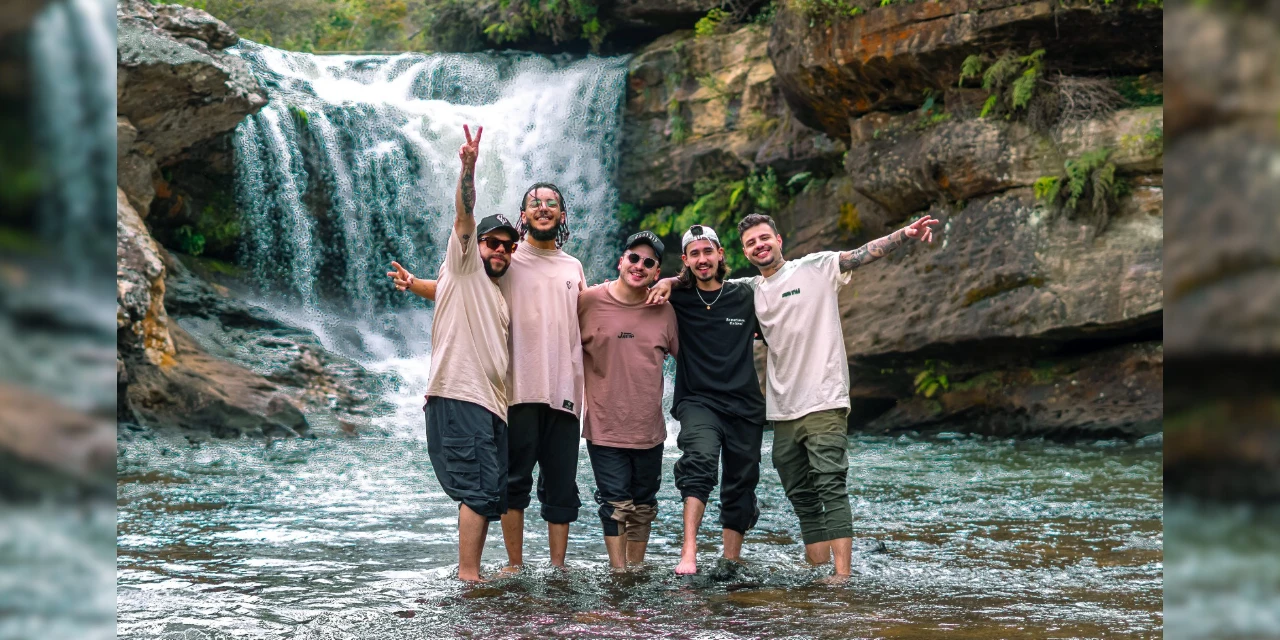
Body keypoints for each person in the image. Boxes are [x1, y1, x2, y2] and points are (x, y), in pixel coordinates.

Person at [730, 211, 938, 577]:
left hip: (825, 400)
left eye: (764, 238)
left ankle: (842, 577)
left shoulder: (815, 267)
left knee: (830, 485)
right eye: (750, 243)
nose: (759, 245)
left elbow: (861, 254)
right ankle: (818, 568)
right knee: (802, 495)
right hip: (781, 410)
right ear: (744, 252)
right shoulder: (750, 291)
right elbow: (704, 290)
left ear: (778, 240)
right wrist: (667, 283)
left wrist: (904, 234)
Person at [404, 182, 586, 571]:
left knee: (547, 486)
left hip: (555, 393)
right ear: (523, 217)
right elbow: (457, 281)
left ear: (562, 214)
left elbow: (593, 314)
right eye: (534, 202)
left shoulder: (571, 267)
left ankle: (555, 568)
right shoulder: (498, 262)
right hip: (510, 392)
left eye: (551, 202)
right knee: (506, 485)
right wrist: (416, 285)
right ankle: (504, 566)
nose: (543, 207)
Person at [386, 124, 517, 582]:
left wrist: (416, 285)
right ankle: (468, 576)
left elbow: (442, 291)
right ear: (476, 245)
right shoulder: (463, 263)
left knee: (488, 492)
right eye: (492, 242)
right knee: (479, 489)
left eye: (507, 246)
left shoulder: (492, 292)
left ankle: (472, 572)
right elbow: (464, 214)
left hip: (490, 404)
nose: (499, 250)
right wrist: (468, 166)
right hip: (461, 396)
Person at [642, 225, 767, 575]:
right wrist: (667, 282)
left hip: (745, 405)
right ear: (685, 260)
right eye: (694, 253)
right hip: (697, 400)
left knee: (742, 481)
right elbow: (640, 295)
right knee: (700, 458)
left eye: (707, 251)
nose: (702, 259)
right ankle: (689, 549)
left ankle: (730, 559)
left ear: (720, 254)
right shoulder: (677, 298)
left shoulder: (744, 296)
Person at [577, 231, 678, 571]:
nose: (639, 265)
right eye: (633, 258)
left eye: (648, 262)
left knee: (645, 505)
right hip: (604, 425)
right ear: (621, 261)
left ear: (656, 272)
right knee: (615, 503)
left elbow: (692, 360)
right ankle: (618, 573)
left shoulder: (665, 311)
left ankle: (636, 570)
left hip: (649, 428)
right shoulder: (587, 302)